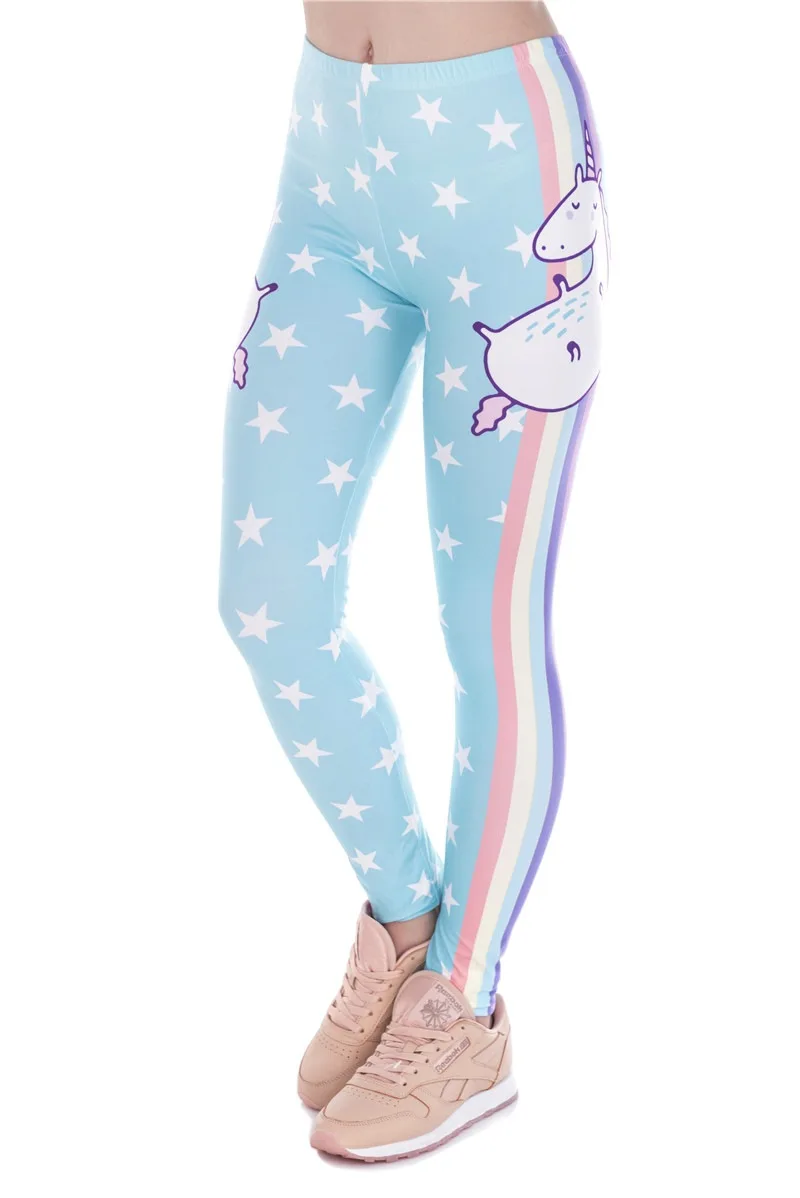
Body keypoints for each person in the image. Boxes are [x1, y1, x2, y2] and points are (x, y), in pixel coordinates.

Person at [219, 0, 608, 1161]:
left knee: (488, 629)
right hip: (328, 156)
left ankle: (464, 1006)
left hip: (500, 162)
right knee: (267, 600)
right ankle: (405, 923)